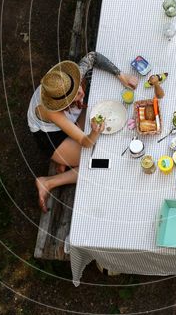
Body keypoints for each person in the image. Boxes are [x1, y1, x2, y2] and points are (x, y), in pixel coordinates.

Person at [28, 51, 138, 212]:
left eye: (78, 90)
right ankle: (48, 181)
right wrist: (95, 132)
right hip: (51, 136)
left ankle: (65, 160)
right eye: (76, 97)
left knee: (102, 106)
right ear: (62, 105)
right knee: (99, 162)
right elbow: (86, 142)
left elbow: (93, 57)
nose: (81, 94)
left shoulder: (68, 79)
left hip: (70, 122)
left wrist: (122, 76)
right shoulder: (53, 112)